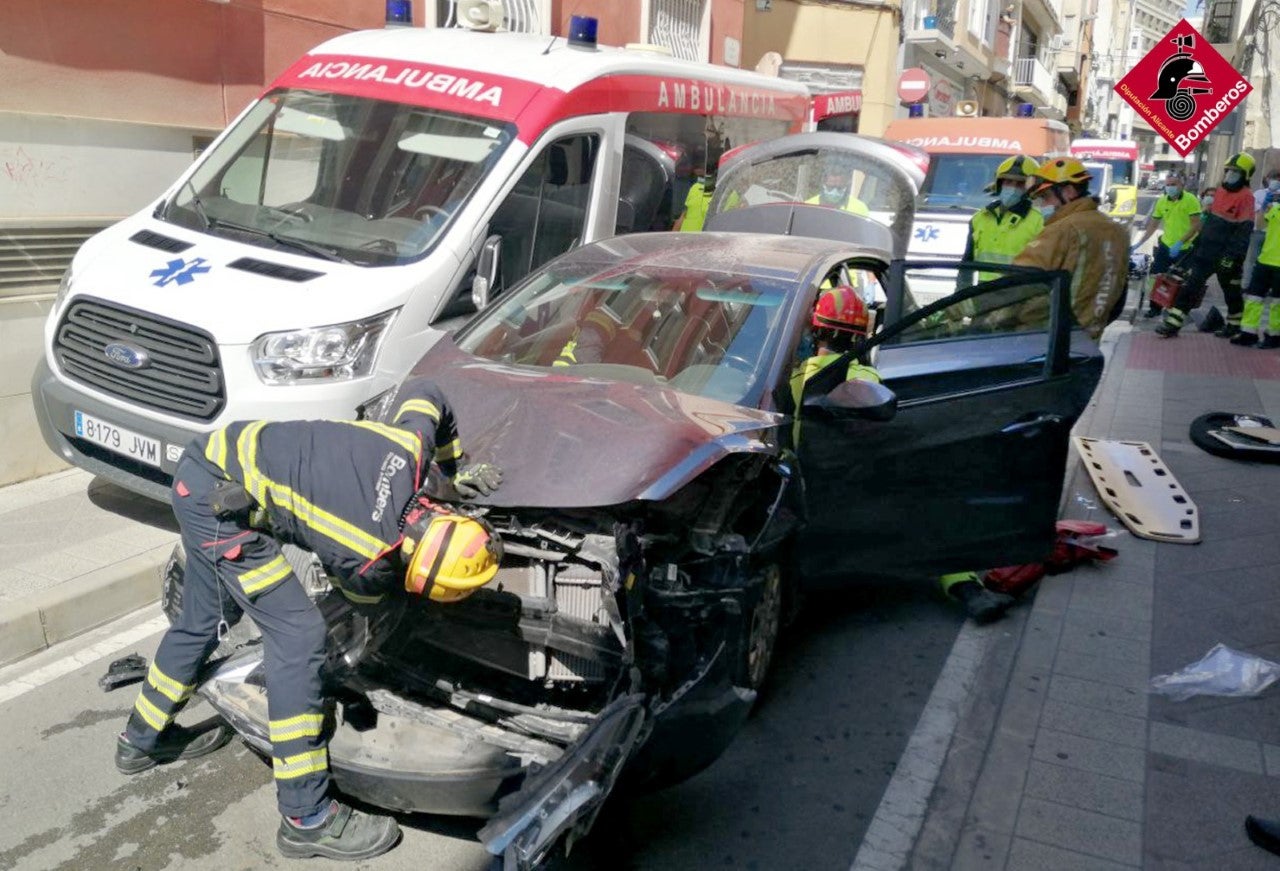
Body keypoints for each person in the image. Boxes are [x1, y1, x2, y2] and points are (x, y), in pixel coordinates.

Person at [115, 378, 503, 861]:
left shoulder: (408, 448)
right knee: (299, 639)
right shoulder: (363, 554)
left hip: (207, 466)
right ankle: (307, 817)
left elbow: (430, 390)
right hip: (219, 505)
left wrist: (450, 470)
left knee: (205, 616)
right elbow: (362, 605)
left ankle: (139, 739)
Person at [788, 286, 1014, 623]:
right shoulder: (866, 377)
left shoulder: (791, 377)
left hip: (803, 487)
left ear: (815, 329)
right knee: (933, 498)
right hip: (858, 487)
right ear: (860, 336)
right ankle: (966, 587)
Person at [1012, 157, 1130, 340]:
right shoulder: (1118, 232)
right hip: (1089, 344)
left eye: (1046, 197)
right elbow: (1118, 296)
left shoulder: (1063, 229)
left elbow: (1018, 282)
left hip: (1047, 343)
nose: (1043, 205)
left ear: (1068, 191)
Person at [1156, 153, 1257, 339]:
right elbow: (1210, 222)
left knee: (1231, 292)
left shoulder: (1246, 197)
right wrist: (1197, 242)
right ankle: (1173, 323)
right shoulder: (1220, 191)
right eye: (1229, 171)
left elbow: (1244, 231)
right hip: (1206, 252)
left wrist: (1231, 257)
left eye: (1236, 172)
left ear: (1246, 175)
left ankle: (1234, 325)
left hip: (1227, 255)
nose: (1231, 175)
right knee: (1190, 286)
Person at [962, 155, 1045, 283]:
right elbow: (966, 265)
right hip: (982, 295)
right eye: (1008, 182)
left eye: (1020, 184)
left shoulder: (1041, 222)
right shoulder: (980, 218)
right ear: (999, 184)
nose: (1013, 188)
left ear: (1031, 189)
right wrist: (962, 295)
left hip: (1019, 297)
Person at [1131, 170, 1203, 317]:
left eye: (1173, 185)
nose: (1170, 187)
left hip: (1184, 248)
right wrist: (1140, 243)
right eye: (1168, 185)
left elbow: (1196, 225)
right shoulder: (1162, 201)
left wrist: (1180, 242)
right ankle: (1155, 307)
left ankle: (1176, 309)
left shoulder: (1191, 200)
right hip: (1165, 244)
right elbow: (1153, 224)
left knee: (1179, 280)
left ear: (1181, 185)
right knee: (1156, 276)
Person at [1234, 179, 1280, 348]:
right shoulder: (1275, 207)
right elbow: (1260, 226)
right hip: (1265, 260)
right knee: (1254, 298)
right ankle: (1248, 333)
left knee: (1277, 303)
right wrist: (1264, 207)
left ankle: (1274, 336)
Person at [805, 162, 871, 216]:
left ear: (846, 185)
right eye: (830, 187)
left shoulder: (859, 209)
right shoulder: (809, 206)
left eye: (839, 188)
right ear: (823, 184)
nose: (834, 191)